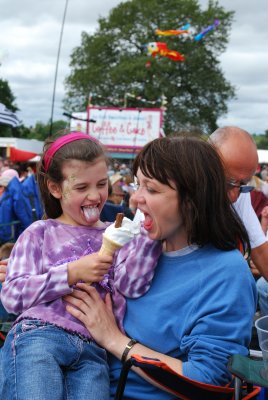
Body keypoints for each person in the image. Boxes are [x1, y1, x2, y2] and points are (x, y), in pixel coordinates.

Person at [65, 135, 257, 399]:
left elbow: (205, 379)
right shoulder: (139, 245)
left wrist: (115, 340)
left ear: (192, 199)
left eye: (151, 189)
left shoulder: (227, 274)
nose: (135, 200)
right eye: (137, 185)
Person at [0, 131, 160, 400]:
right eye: (81, 188)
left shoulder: (119, 232)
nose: (95, 196)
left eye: (101, 184)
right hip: (39, 337)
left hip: (94, 352)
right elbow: (12, 297)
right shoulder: (39, 233)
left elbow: (132, 286)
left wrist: (148, 235)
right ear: (55, 188)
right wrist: (72, 272)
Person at [208, 126, 268, 280]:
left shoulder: (239, 191)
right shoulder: (174, 190)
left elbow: (260, 250)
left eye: (243, 184)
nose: (234, 196)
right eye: (227, 183)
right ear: (205, 165)